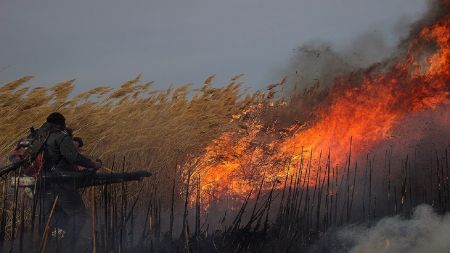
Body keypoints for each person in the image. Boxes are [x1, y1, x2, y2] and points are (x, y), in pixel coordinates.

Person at [40, 112, 101, 251]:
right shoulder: (60, 137)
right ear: (61, 124)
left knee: (56, 217)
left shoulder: (39, 136)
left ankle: (49, 245)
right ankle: (65, 248)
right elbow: (74, 158)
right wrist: (93, 165)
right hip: (60, 182)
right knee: (78, 215)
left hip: (42, 184)